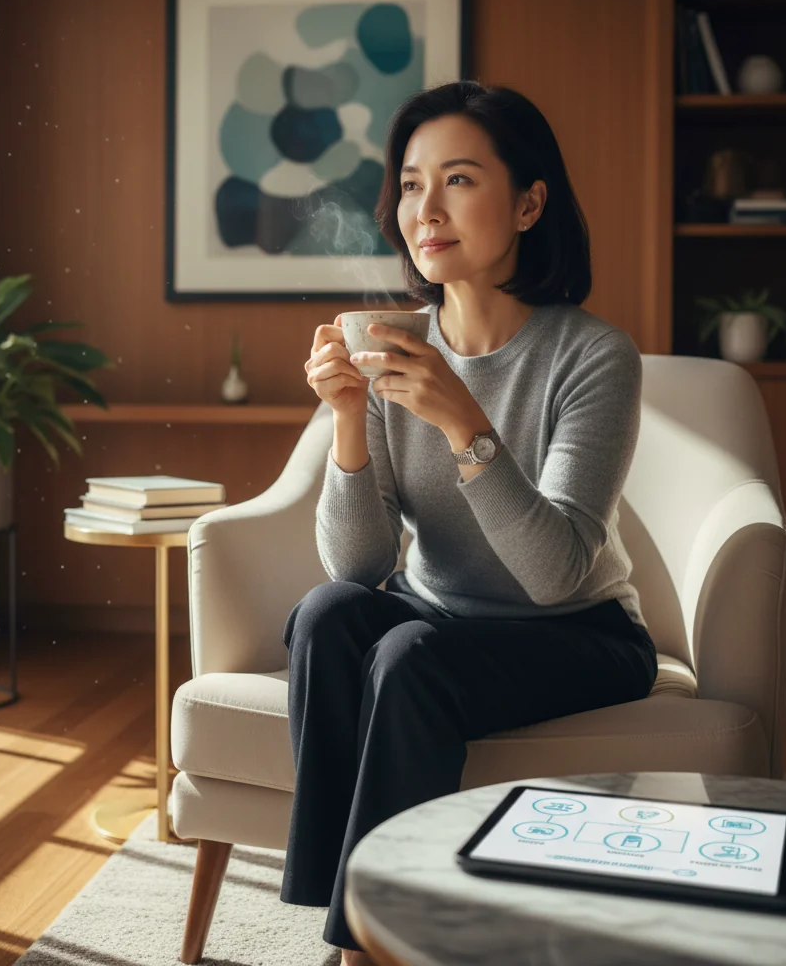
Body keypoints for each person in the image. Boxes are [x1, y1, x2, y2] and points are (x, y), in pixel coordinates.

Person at [280, 80, 658, 965]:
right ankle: (346, 914)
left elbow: (557, 570)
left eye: (457, 179)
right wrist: (347, 422)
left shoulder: (593, 356)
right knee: (326, 616)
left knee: (410, 658)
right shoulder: (392, 340)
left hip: (579, 632)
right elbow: (359, 567)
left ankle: (369, 944)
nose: (426, 209)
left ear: (530, 202)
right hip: (440, 613)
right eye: (411, 185)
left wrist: (465, 424)